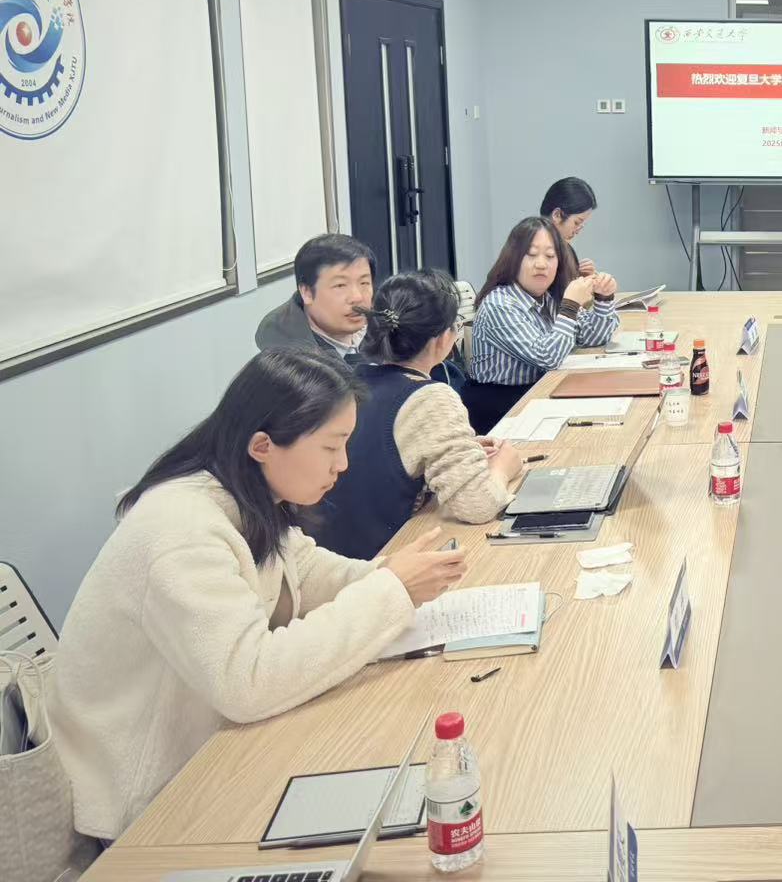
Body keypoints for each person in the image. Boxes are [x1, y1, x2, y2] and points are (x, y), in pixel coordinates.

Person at [45, 350, 466, 843]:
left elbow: (305, 572)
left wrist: (385, 575)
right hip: (145, 801)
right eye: (331, 447)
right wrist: (389, 591)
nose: (343, 464)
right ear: (263, 445)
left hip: (210, 751)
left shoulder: (244, 492)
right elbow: (248, 681)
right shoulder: (180, 532)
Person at [314, 271, 524, 559]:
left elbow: (383, 451)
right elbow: (478, 504)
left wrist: (459, 448)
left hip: (335, 550)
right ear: (441, 340)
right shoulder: (430, 398)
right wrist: (503, 468)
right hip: (385, 555)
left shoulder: (351, 378)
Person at [464, 215, 621, 433]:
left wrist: (604, 298)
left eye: (550, 256)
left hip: (538, 393)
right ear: (513, 259)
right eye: (531, 254)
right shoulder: (499, 304)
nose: (541, 264)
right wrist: (570, 305)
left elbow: (593, 336)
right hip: (499, 410)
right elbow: (547, 357)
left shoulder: (548, 296)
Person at [255, 234, 376, 364]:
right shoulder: (294, 365)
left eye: (364, 283)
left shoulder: (382, 320)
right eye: (340, 285)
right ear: (307, 293)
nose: (357, 297)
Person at [541, 176, 619, 303]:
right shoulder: (538, 252)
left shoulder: (566, 249)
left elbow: (576, 308)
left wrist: (585, 280)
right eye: (577, 222)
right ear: (557, 215)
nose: (578, 230)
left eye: (582, 225)